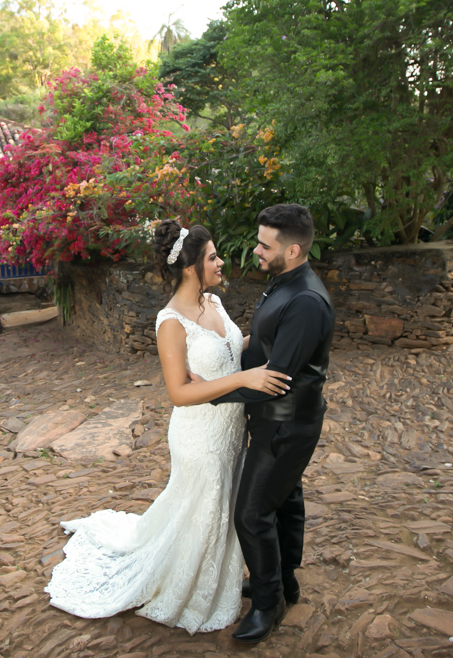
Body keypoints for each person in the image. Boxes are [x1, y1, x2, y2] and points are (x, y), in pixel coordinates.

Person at [44, 221, 292, 634]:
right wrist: (243, 379)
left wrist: (269, 343)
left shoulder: (213, 302)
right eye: (212, 257)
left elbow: (229, 348)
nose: (221, 262)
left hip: (229, 429)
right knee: (205, 512)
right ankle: (190, 586)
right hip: (199, 436)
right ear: (192, 267)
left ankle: (220, 576)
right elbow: (178, 392)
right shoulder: (171, 322)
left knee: (223, 508)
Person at [208, 204, 336, 644]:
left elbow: (275, 379)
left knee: (252, 514)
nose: (256, 251)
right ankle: (284, 583)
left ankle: (268, 604)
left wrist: (210, 392)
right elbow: (265, 346)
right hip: (275, 422)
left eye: (265, 245)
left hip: (285, 425)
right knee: (285, 502)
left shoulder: (305, 302)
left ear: (293, 250)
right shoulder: (284, 282)